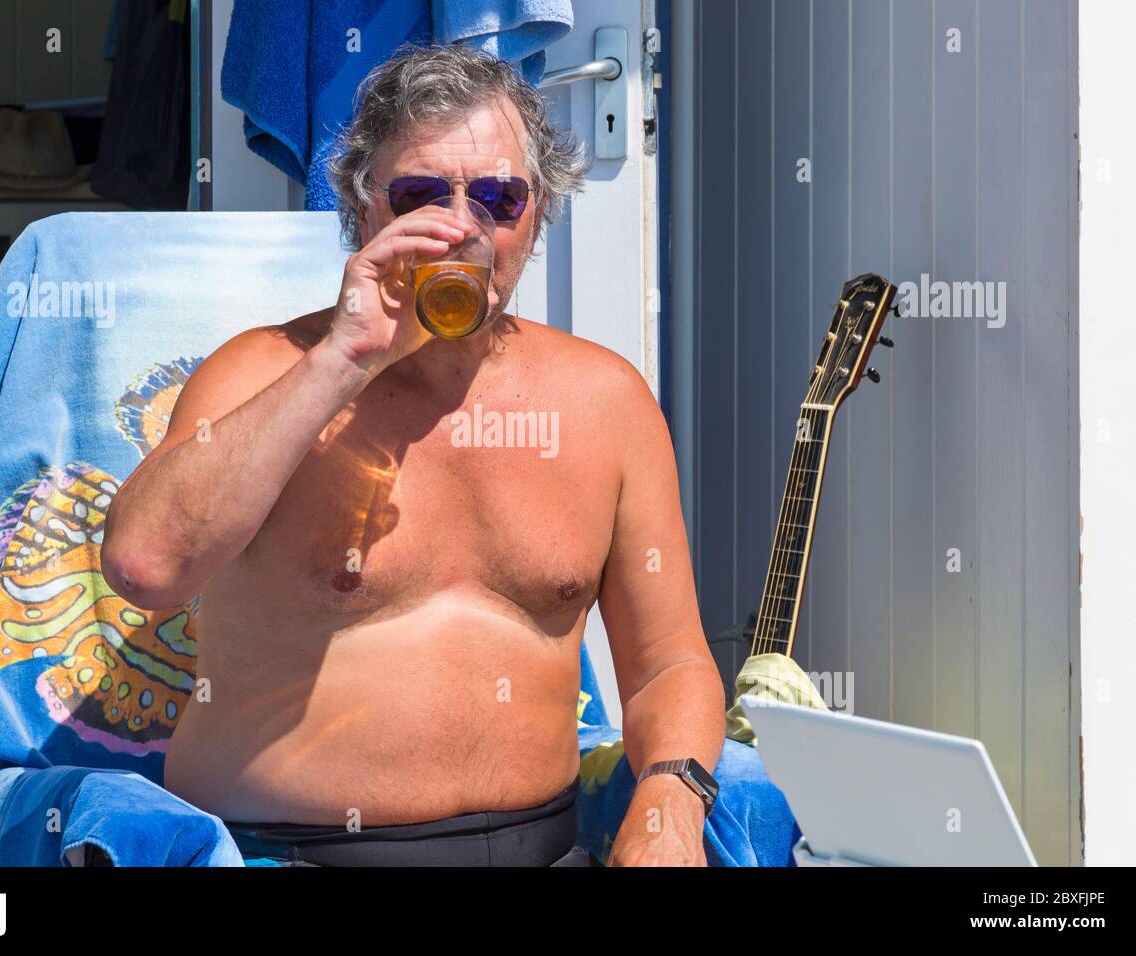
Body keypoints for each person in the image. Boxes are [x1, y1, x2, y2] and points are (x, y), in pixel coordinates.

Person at [101, 43, 725, 866]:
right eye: (422, 194)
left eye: (500, 198)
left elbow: (668, 664)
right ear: (364, 208)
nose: (462, 228)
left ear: (537, 218)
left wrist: (668, 805)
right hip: (285, 855)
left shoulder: (604, 401)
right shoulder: (263, 375)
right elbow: (145, 568)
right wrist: (344, 361)